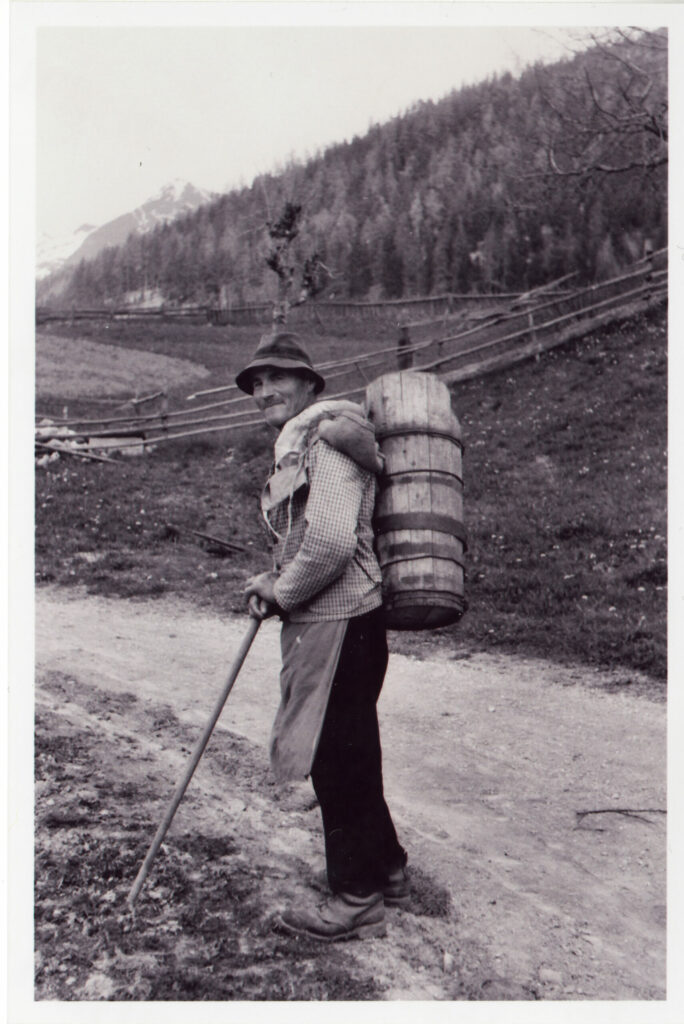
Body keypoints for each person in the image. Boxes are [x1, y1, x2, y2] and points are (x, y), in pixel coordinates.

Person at [236, 330, 408, 942]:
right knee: (353, 751)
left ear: (310, 384)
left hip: (339, 622)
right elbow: (313, 539)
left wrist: (283, 591)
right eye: (256, 383)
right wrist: (274, 577)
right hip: (344, 619)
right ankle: (386, 870)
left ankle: (355, 899)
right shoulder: (304, 443)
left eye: (277, 378)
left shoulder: (328, 440)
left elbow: (333, 541)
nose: (264, 391)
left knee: (336, 762)